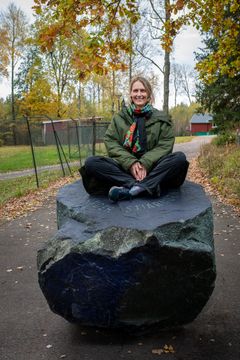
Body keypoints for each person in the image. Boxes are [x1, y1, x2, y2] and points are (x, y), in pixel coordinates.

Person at [80, 76, 189, 202]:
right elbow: (111, 141)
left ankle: (132, 189)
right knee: (91, 162)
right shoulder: (119, 118)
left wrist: (144, 163)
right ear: (130, 94)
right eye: (135, 91)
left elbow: (165, 145)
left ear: (149, 94)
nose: (139, 94)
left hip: (153, 168)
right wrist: (131, 163)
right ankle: (145, 186)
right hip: (125, 169)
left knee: (179, 158)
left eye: (143, 91)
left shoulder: (161, 118)